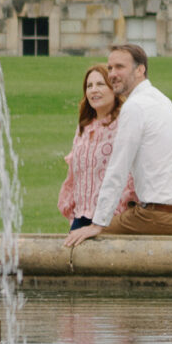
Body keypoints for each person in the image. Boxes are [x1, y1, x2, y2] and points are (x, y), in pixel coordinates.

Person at [62, 42, 172, 244]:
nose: (112, 74)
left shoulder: (134, 107)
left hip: (161, 217)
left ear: (140, 70)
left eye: (120, 67)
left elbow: (117, 169)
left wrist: (97, 224)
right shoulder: (160, 98)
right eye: (110, 68)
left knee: (85, 239)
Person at [56, 64, 136, 232]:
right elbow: (74, 174)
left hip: (112, 219)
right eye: (89, 86)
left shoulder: (124, 124)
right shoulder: (84, 127)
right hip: (81, 216)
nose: (93, 90)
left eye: (100, 84)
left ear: (113, 89)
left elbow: (130, 173)